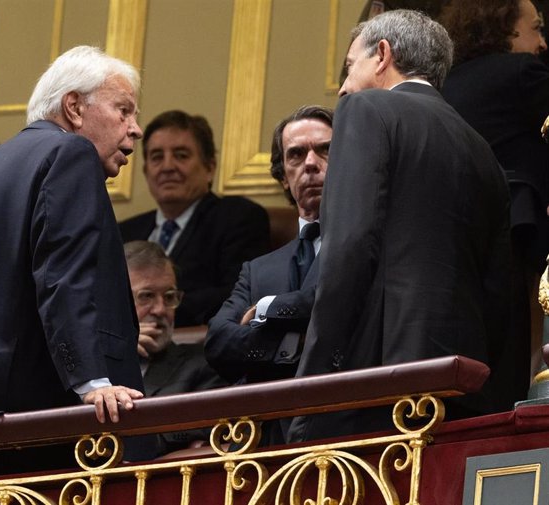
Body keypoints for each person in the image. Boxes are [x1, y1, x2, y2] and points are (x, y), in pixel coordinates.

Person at [288, 10, 512, 444]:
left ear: (382, 56)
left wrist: (313, 381)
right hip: (464, 382)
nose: (342, 86)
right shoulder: (482, 148)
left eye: (349, 66)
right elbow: (499, 287)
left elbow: (348, 246)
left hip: (377, 376)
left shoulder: (367, 107)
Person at [0, 46, 155, 461]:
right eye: (124, 110)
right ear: (74, 107)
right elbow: (63, 276)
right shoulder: (71, 153)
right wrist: (92, 380)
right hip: (50, 417)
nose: (135, 128)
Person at [440, 0, 549, 401]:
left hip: (454, 252)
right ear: (504, 28)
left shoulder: (444, 84)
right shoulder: (522, 72)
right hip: (518, 238)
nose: (541, 43)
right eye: (535, 28)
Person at [206, 105, 333, 386]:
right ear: (283, 178)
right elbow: (218, 342)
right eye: (296, 155)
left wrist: (266, 309)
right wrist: (291, 344)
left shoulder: (370, 244)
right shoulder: (257, 270)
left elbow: (335, 304)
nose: (311, 163)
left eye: (325, 150)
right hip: (268, 424)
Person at [119, 110, 270, 327]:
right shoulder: (124, 232)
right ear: (146, 171)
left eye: (181, 155)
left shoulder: (238, 218)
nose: (167, 167)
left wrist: (145, 312)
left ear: (210, 167)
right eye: (157, 157)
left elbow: (237, 297)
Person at [124, 240, 228, 453]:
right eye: (147, 296)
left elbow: (203, 428)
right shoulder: (90, 368)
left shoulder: (202, 365)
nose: (161, 310)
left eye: (169, 297)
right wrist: (119, 352)